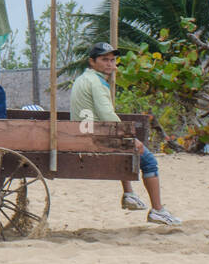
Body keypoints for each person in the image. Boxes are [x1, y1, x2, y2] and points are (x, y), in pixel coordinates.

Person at [70, 42, 182, 225]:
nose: (109, 64)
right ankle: (158, 210)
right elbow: (107, 114)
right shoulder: (96, 83)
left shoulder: (86, 78)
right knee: (149, 160)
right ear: (92, 61)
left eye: (112, 60)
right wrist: (131, 138)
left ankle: (129, 194)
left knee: (125, 149)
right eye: (104, 59)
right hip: (93, 137)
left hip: (84, 133)